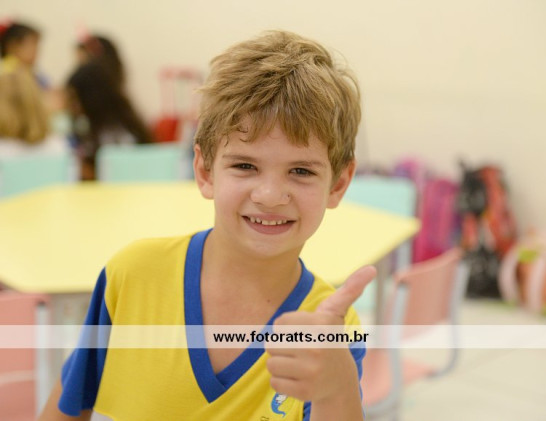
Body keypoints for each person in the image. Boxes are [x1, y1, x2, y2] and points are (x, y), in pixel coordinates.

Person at [39, 30, 374, 420]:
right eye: (245, 165)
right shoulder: (133, 276)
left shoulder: (330, 327)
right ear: (204, 170)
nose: (270, 195)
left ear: (338, 184)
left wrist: (337, 388)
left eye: (301, 171)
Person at [65, 60, 153, 180]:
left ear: (90, 98)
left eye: (75, 98)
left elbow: (119, 175)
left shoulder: (114, 134)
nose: (73, 105)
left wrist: (83, 170)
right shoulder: (125, 124)